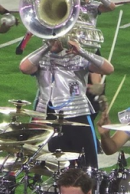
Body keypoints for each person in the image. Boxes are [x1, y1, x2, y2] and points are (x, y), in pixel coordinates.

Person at [20, 37, 114, 168]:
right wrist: (46, 47)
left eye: (57, 36)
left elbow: (109, 69)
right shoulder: (41, 57)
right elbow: (24, 67)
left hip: (78, 114)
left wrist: (82, 51)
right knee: (59, 166)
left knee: (88, 166)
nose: (54, 39)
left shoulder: (77, 57)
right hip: (50, 116)